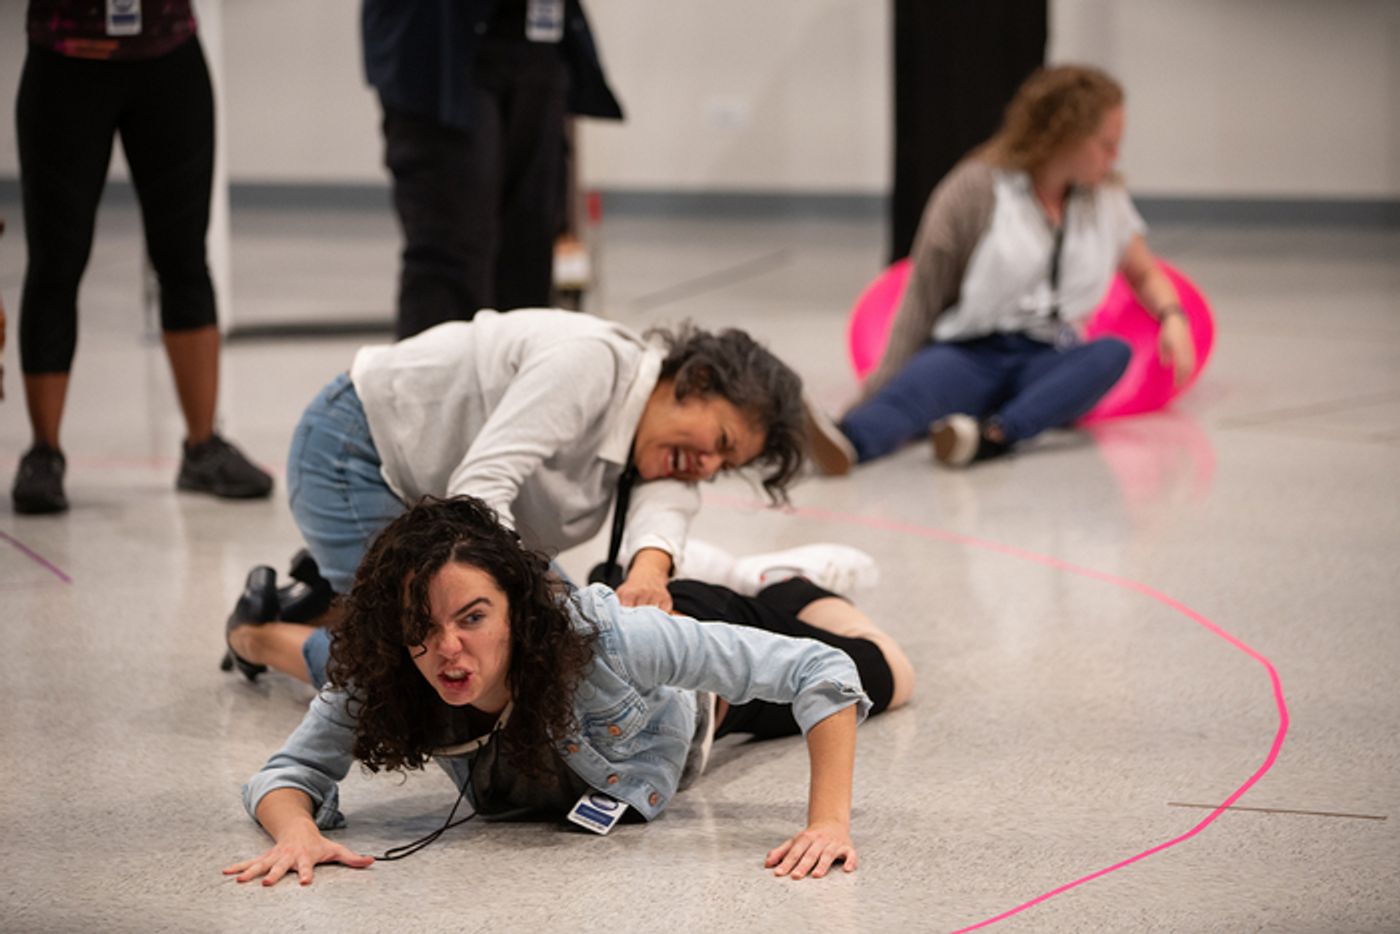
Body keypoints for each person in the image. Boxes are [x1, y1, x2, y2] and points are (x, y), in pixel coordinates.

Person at [223, 496, 909, 885]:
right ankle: (249, 635)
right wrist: (297, 833)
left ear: (517, 611)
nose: (449, 650)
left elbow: (821, 673)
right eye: (421, 628)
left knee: (890, 671)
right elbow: (287, 774)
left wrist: (827, 823)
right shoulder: (397, 666)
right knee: (329, 660)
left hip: (698, 668)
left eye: (472, 618)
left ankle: (787, 581)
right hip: (612, 636)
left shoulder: (608, 638)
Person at [221, 309, 838, 682]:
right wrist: (523, 616)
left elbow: (669, 498)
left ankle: (335, 590)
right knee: (430, 672)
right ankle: (255, 634)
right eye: (719, 440)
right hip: (357, 455)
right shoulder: (590, 365)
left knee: (560, 656)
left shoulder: (661, 440)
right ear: (694, 382)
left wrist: (651, 572)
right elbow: (479, 492)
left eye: (724, 464)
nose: (705, 467)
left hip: (439, 501)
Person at [807, 64, 1197, 473]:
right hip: (973, 352)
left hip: (1050, 356)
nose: (1115, 157)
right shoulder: (975, 190)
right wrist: (876, 387)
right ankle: (848, 439)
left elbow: (1146, 274)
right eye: (1106, 144)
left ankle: (992, 436)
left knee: (1110, 354)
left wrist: (1174, 317)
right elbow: (921, 299)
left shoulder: (1107, 201)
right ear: (1064, 136)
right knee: (912, 392)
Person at [10, 0, 273, 515]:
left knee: (184, 259)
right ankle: (44, 453)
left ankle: (202, 447)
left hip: (167, 53)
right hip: (66, 55)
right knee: (56, 262)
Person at [362, 0, 623, 339]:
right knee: (452, 251)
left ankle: (520, 385)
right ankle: (434, 388)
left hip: (537, 44)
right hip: (441, 50)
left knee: (530, 247)